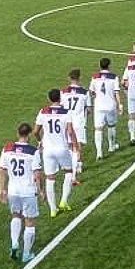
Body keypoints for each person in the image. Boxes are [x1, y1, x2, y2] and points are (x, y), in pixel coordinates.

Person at [0, 123, 42, 262]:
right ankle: (27, 254)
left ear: (18, 133)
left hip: (13, 190)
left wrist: (2, 189)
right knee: (29, 222)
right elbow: (37, 174)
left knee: (16, 216)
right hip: (28, 191)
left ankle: (15, 242)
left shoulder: (7, 148)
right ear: (29, 135)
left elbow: (2, 169)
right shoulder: (33, 151)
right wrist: (41, 191)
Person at [35, 89, 79, 218]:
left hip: (48, 149)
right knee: (69, 172)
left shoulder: (43, 112)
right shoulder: (66, 112)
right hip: (62, 147)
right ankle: (64, 201)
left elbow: (35, 131)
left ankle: (53, 209)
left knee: (50, 178)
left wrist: (40, 141)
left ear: (49, 99)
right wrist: (75, 145)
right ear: (60, 98)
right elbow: (70, 131)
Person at [60, 69, 90, 180]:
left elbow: (61, 107)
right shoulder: (84, 92)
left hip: (67, 121)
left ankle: (69, 166)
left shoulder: (63, 92)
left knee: (69, 144)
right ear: (79, 78)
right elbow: (89, 108)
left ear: (69, 78)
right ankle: (78, 165)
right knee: (78, 144)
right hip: (79, 120)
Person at [88, 57, 122, 157]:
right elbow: (116, 92)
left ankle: (99, 152)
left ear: (100, 65)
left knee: (98, 129)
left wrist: (95, 96)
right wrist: (120, 104)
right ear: (109, 65)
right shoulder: (114, 77)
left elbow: (91, 91)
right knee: (111, 126)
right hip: (111, 105)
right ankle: (111, 146)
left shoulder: (95, 77)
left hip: (99, 106)